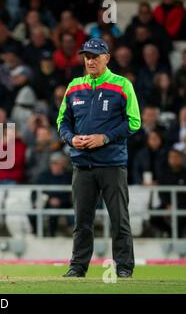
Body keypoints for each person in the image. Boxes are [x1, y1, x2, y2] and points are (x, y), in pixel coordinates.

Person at [57, 38, 141, 278]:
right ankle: (77, 267)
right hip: (82, 164)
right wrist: (71, 138)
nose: (90, 60)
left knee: (119, 219)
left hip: (112, 164)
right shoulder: (74, 86)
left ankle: (124, 268)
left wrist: (105, 138)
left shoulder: (122, 85)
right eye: (87, 56)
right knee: (82, 221)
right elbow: (62, 121)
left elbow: (134, 122)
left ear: (107, 58)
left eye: (95, 56)